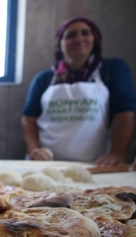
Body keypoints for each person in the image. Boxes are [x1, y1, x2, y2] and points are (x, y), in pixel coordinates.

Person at [21, 17, 136, 165]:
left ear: (94, 39)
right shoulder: (44, 78)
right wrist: (34, 149)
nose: (79, 38)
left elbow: (125, 114)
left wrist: (117, 154)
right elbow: (28, 120)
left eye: (85, 33)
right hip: (45, 165)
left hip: (95, 165)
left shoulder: (112, 70)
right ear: (60, 43)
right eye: (71, 35)